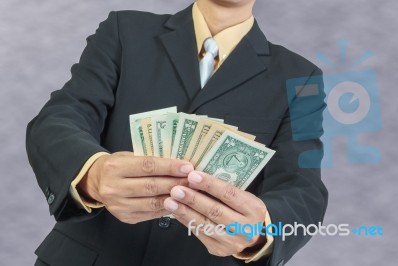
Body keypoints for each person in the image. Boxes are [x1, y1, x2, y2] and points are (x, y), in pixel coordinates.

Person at [26, 0, 328, 265]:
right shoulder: (124, 30)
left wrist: (261, 231)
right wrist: (93, 173)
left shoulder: (302, 78)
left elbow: (303, 188)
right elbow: (60, 118)